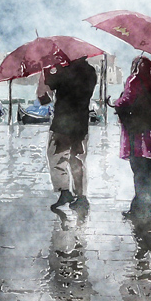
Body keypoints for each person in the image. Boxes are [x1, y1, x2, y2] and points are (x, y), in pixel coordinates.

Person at [110, 56, 151, 219]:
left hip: (137, 134)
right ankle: (150, 206)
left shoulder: (133, 80)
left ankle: (138, 207)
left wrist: (115, 102)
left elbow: (126, 101)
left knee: (138, 172)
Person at [37, 56, 98, 211]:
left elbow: (45, 98)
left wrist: (45, 71)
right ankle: (81, 197)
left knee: (56, 157)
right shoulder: (91, 71)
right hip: (81, 124)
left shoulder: (63, 70)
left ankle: (64, 191)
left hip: (62, 123)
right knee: (78, 159)